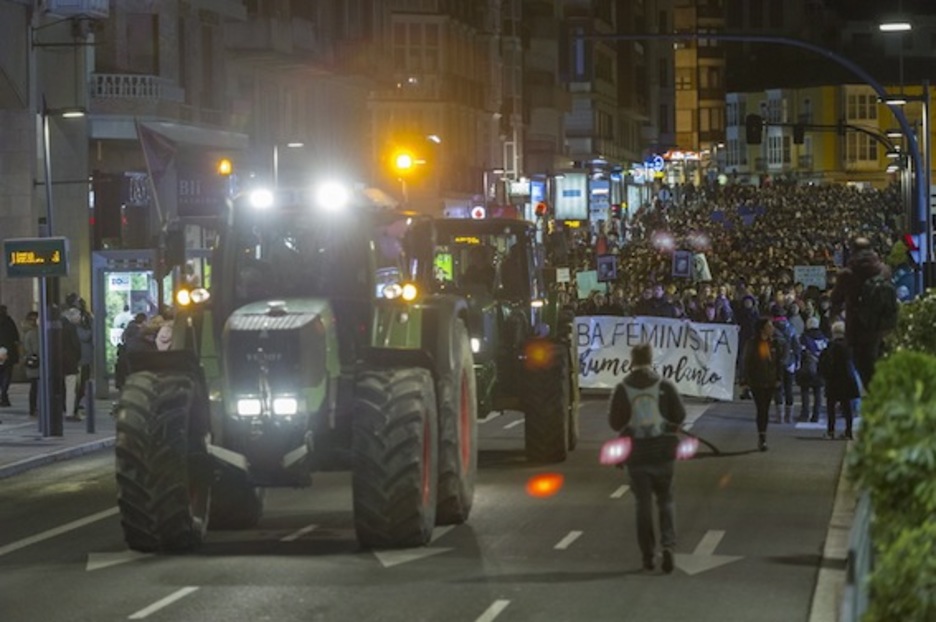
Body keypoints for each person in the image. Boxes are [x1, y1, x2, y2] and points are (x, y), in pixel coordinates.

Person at [608, 342, 687, 573]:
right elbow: (680, 415)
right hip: (664, 453)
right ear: (651, 359)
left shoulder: (623, 389)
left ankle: (647, 555)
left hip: (637, 455)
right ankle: (669, 547)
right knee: (666, 501)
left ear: (632, 360)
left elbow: (615, 423)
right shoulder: (664, 386)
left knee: (642, 505)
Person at [829, 236, 895, 389]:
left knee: (866, 373)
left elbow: (835, 300)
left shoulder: (847, 274)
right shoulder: (885, 270)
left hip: (859, 331)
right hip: (885, 329)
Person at [743, 317, 783, 451]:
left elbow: (778, 362)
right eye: (769, 326)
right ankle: (762, 437)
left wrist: (779, 378)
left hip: (770, 381)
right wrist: (745, 381)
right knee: (761, 409)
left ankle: (763, 435)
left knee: (765, 408)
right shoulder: (752, 343)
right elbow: (746, 363)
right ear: (762, 329)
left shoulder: (774, 343)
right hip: (757, 382)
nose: (772, 329)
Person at [818, 321, 861, 440]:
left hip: (834, 380)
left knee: (831, 407)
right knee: (847, 408)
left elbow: (826, 363)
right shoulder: (850, 346)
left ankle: (831, 431)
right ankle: (848, 432)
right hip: (848, 379)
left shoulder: (831, 347)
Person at [796, 316, 828, 423]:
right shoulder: (823, 338)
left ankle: (805, 414)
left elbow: (800, 352)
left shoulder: (804, 337)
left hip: (807, 368)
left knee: (805, 392)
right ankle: (816, 415)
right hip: (820, 368)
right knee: (818, 393)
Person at [61, 307, 83, 421]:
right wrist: (77, 357)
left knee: (58, 387)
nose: (80, 319)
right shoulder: (71, 328)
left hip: (56, 362)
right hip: (70, 362)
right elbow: (76, 345)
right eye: (78, 316)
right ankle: (69, 412)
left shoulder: (57, 325)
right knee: (71, 387)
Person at [0, 304, 21, 407]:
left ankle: (3, 395)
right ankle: (4, 394)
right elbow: (15, 338)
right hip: (9, 352)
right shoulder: (9, 321)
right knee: (7, 375)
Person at [21, 311, 40, 418]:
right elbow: (36, 349)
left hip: (31, 362)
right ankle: (33, 409)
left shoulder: (26, 332)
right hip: (37, 363)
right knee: (35, 387)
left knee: (34, 387)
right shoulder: (33, 333)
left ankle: (33, 409)